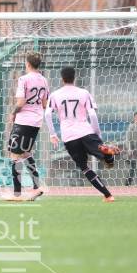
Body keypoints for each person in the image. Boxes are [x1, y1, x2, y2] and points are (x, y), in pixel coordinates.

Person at [45, 66, 121, 203]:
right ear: (75, 78)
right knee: (102, 152)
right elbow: (92, 114)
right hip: (85, 131)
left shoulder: (55, 95)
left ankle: (108, 195)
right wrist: (97, 134)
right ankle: (106, 153)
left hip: (69, 136)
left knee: (85, 168)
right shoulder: (84, 93)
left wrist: (52, 134)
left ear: (62, 79)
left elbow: (47, 114)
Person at [7, 52, 48, 201]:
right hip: (36, 121)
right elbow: (44, 104)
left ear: (28, 64)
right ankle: (37, 186)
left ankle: (17, 193)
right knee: (25, 153)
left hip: (23, 121)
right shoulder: (44, 80)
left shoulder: (23, 79)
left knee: (14, 154)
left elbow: (20, 102)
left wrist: (13, 113)